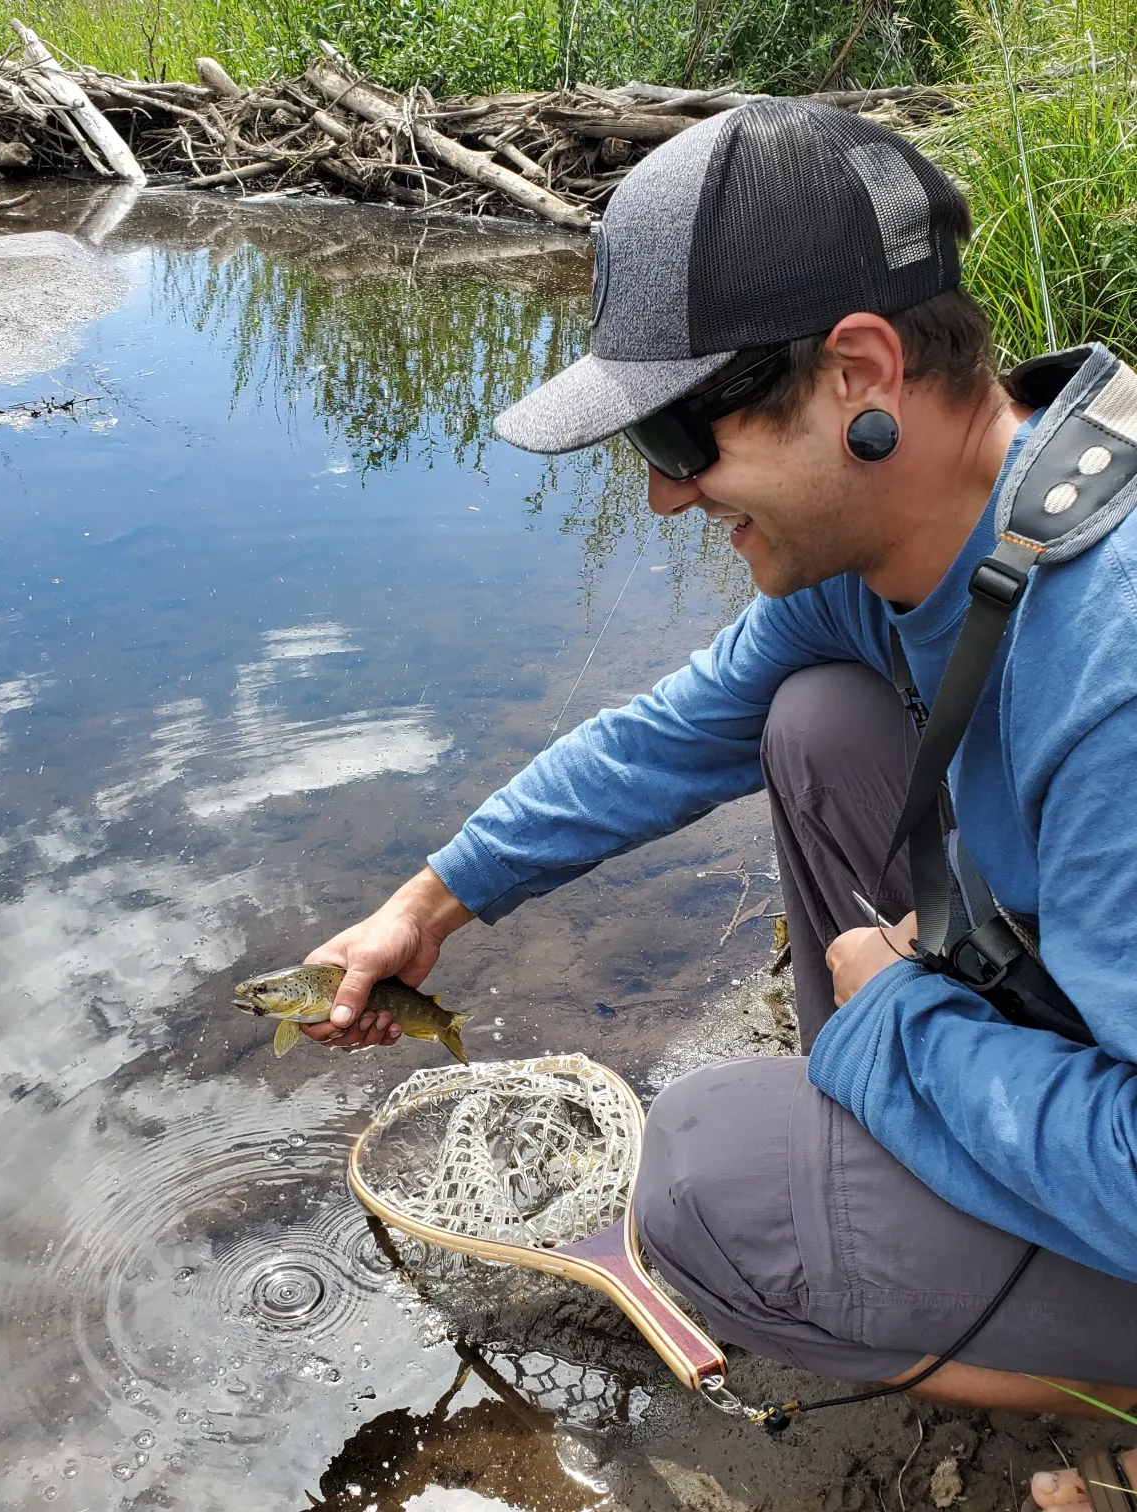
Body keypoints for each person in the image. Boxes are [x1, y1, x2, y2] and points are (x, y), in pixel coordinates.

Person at [297, 99, 1137, 1509]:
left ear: (861, 373)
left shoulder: (1113, 662)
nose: (664, 498)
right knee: (813, 718)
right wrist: (431, 900)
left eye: (686, 431)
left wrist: (892, 1017)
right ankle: (902, 1156)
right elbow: (667, 735)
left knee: (704, 1189)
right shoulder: (943, 534)